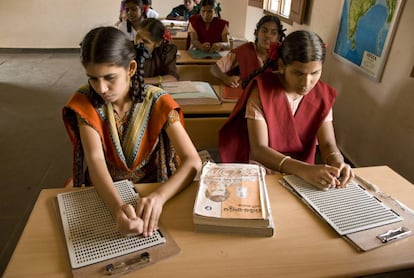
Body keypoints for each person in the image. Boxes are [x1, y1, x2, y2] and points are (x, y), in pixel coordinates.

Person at [62, 26, 202, 237]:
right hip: (105, 191)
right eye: (92, 78)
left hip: (153, 188)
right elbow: (96, 161)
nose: (100, 88)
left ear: (131, 68)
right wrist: (118, 210)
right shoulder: (86, 101)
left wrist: (159, 197)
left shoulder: (157, 101)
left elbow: (192, 161)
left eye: (109, 77)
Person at [219, 30, 354, 190]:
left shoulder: (321, 94)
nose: (306, 82)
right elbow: (259, 150)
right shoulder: (262, 91)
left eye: (315, 73)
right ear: (282, 66)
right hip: (264, 172)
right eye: (298, 73)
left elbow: (327, 143)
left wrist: (337, 160)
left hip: (303, 174)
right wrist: (303, 170)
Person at [210, 15, 286, 88]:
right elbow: (214, 69)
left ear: (278, 37)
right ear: (256, 33)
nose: (268, 35)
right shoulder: (243, 52)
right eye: (264, 31)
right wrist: (226, 79)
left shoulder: (281, 57)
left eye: (273, 33)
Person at [136, 18, 179, 85]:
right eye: (137, 36)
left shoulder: (165, 51)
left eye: (145, 41)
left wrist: (142, 81)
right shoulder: (128, 49)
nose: (138, 42)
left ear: (158, 43)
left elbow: (172, 77)